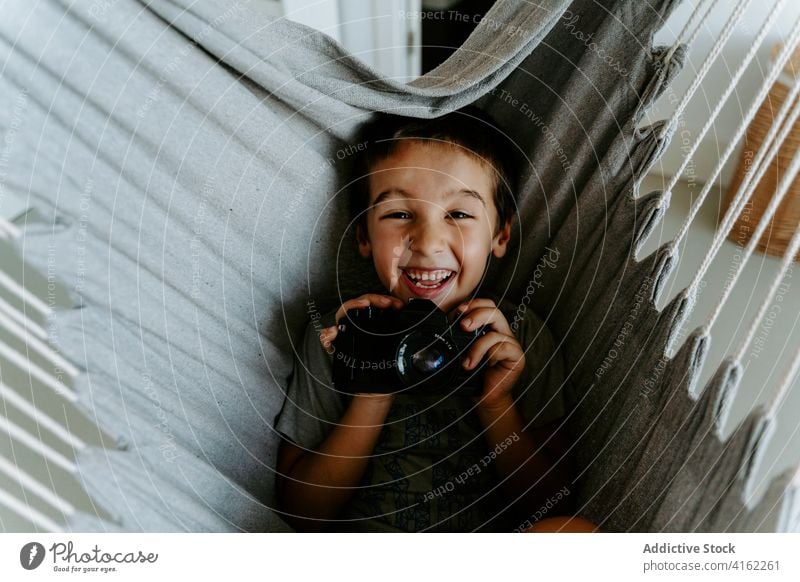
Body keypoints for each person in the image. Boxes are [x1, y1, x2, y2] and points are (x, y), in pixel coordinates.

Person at [274, 105, 595, 532]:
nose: (427, 241)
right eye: (399, 214)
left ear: (500, 235)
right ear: (363, 237)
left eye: (459, 214)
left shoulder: (518, 337)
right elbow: (301, 511)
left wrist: (497, 404)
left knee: (572, 536)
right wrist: (373, 383)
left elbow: (553, 499)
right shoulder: (340, 334)